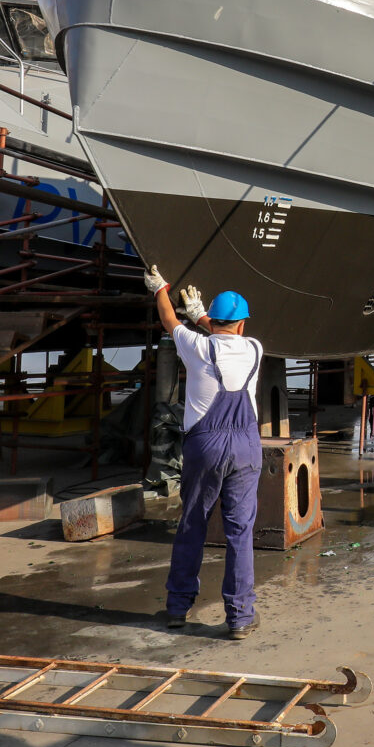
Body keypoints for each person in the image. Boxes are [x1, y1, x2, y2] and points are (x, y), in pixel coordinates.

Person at [143, 265, 265, 640]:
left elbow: (168, 319)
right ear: (242, 324)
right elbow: (224, 332)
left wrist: (160, 287)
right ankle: (241, 618)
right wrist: (200, 314)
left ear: (214, 323)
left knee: (192, 523)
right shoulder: (256, 349)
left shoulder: (197, 347)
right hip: (246, 446)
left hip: (206, 446)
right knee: (240, 532)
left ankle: (178, 608)